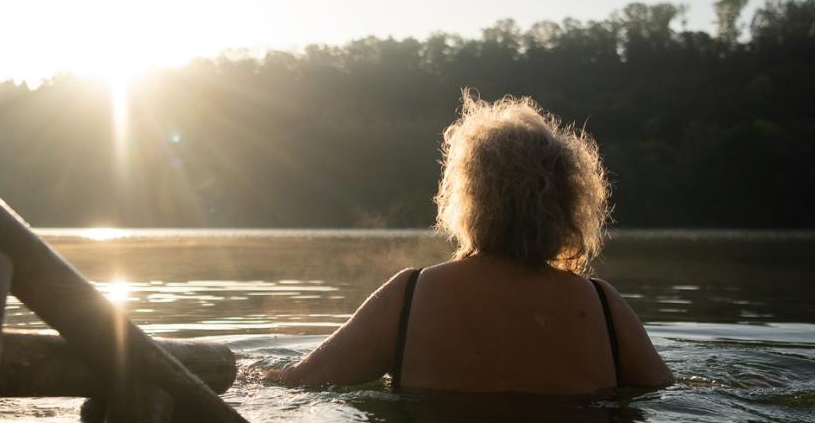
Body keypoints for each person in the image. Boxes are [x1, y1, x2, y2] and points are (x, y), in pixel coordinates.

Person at [277, 93, 672, 393]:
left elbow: (297, 384)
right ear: (571, 204)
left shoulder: (411, 295)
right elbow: (669, 397)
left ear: (467, 199)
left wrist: (238, 369)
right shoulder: (603, 308)